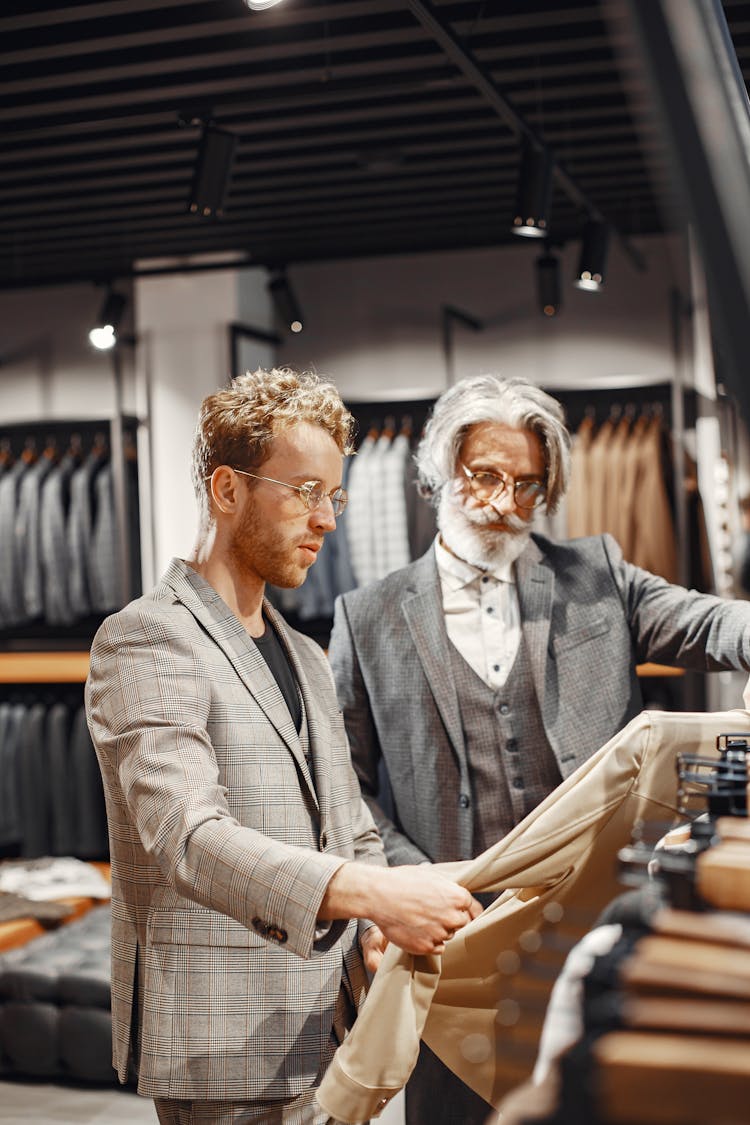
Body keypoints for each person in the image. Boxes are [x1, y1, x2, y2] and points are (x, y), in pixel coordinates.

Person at [327, 372, 750, 1125]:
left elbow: (708, 623)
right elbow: (343, 780)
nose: (504, 500)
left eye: (527, 483)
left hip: (600, 914)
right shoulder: (368, 616)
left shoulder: (598, 576)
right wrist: (405, 884)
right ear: (438, 472)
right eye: (484, 475)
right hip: (454, 936)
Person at [85, 367, 482, 1125]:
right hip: (227, 1038)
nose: (327, 518)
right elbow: (188, 837)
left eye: (332, 494)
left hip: (333, 1032)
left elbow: (350, 821)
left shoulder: (302, 650)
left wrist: (376, 922)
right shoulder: (146, 637)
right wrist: (377, 894)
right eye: (304, 490)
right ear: (227, 490)